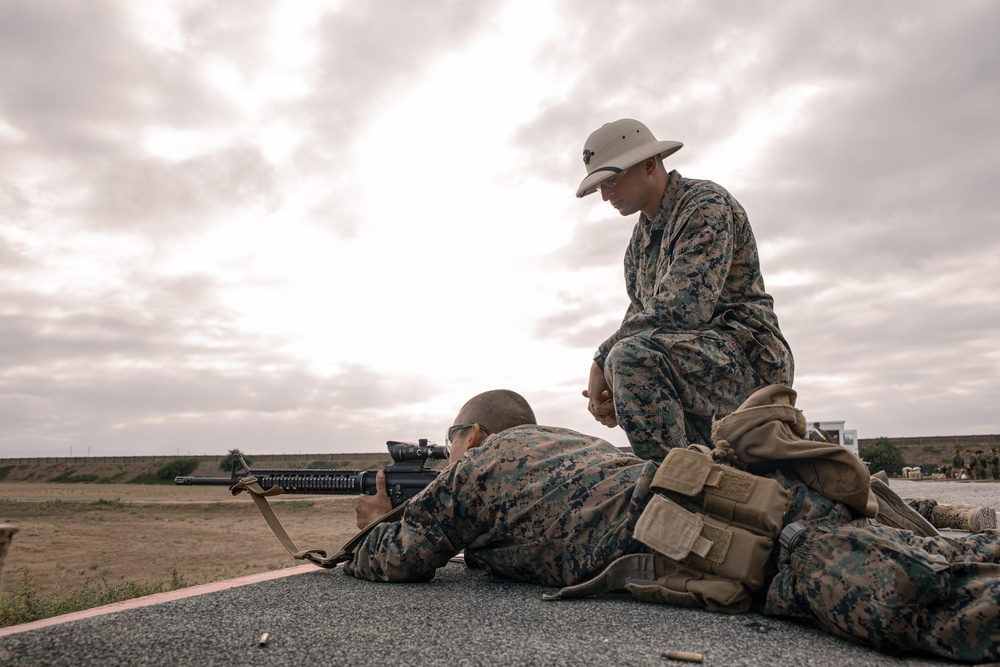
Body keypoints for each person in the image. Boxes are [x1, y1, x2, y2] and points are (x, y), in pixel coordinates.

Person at [340, 386, 1000, 662]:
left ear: (477, 435)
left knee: (945, 605)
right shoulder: (572, 450)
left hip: (775, 550)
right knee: (958, 556)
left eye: (452, 443)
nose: (448, 456)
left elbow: (402, 557)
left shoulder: (486, 463)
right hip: (779, 509)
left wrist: (374, 525)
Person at [575, 119, 793, 461]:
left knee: (627, 356)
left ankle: (679, 492)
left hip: (751, 363)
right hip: (700, 364)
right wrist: (620, 393)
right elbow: (641, 318)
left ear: (649, 164)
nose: (605, 195)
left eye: (613, 179)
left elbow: (683, 309)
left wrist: (602, 361)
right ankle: (688, 475)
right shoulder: (639, 243)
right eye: (600, 185)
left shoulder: (705, 206)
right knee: (627, 359)